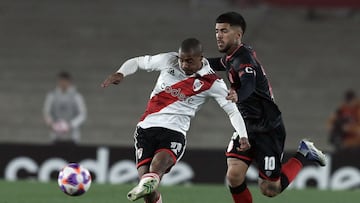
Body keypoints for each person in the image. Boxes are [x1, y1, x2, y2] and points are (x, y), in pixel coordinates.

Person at [101, 38, 250, 203]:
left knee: (156, 168)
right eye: (182, 60)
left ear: (201, 58)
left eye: (189, 61)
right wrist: (121, 72)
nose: (184, 65)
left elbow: (232, 111)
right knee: (148, 190)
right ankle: (149, 186)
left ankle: (150, 180)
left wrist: (243, 135)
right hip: (146, 129)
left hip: (174, 132)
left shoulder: (212, 82)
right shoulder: (168, 60)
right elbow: (138, 62)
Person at [208, 12, 326, 202]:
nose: (218, 35)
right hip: (246, 126)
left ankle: (304, 153)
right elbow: (218, 64)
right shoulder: (233, 56)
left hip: (267, 129)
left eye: (224, 31)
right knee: (234, 176)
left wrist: (239, 94)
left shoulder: (243, 60)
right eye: (216, 31)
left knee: (270, 189)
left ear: (238, 35)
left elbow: (248, 83)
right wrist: (194, 63)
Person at [43, 71, 87, 144]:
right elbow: (46, 112)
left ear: (69, 82)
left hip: (72, 136)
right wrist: (52, 124)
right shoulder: (52, 95)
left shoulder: (76, 96)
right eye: (61, 81)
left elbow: (82, 114)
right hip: (56, 135)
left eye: (65, 81)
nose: (63, 83)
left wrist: (70, 125)